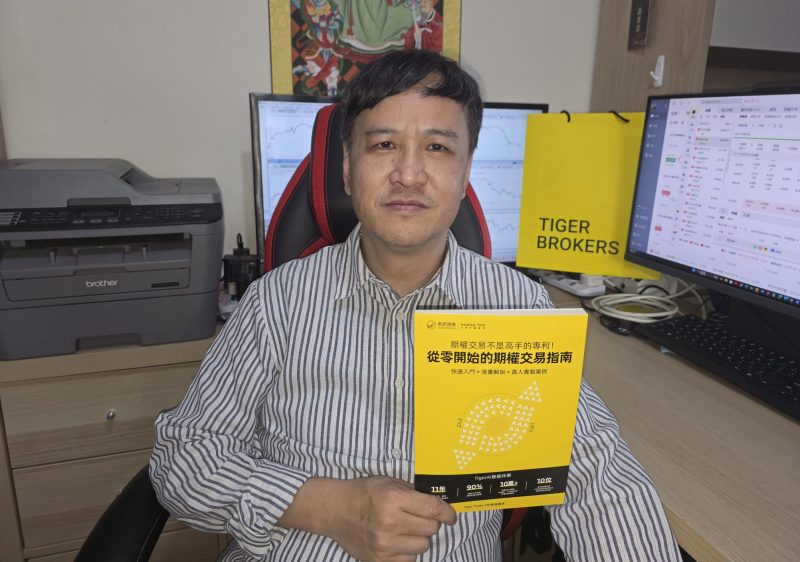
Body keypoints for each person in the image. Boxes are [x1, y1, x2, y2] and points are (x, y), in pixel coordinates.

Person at [150, 49, 682, 562]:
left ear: (466, 171)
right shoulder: (279, 301)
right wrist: (330, 507)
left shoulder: (514, 306)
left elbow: (597, 477)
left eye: (437, 148)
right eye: (383, 144)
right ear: (347, 168)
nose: (408, 174)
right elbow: (183, 458)